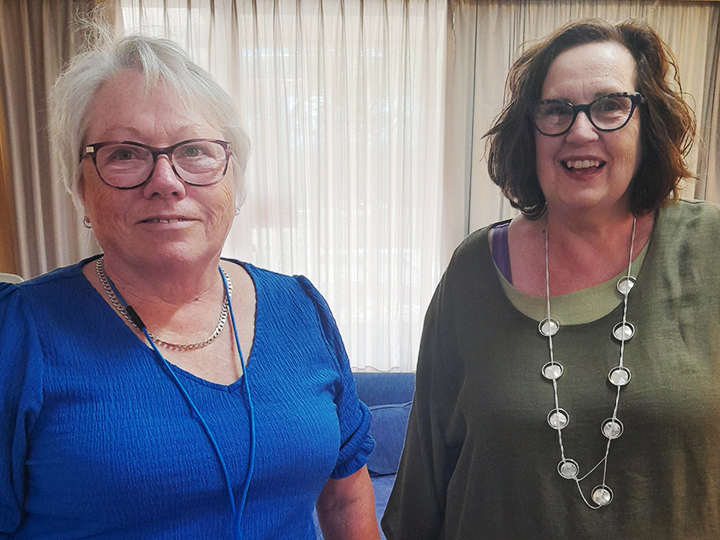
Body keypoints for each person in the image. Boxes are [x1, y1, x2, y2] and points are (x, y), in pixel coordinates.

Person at [0, 29, 379, 540]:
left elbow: (345, 495)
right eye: (124, 153)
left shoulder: (301, 308)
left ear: (233, 180)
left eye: (195, 150)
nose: (166, 181)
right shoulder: (19, 331)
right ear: (81, 188)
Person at [383, 18, 720, 539]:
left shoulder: (708, 247)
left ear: (647, 123)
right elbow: (424, 483)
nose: (580, 131)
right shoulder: (473, 271)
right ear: (530, 131)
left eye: (611, 105)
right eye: (556, 110)